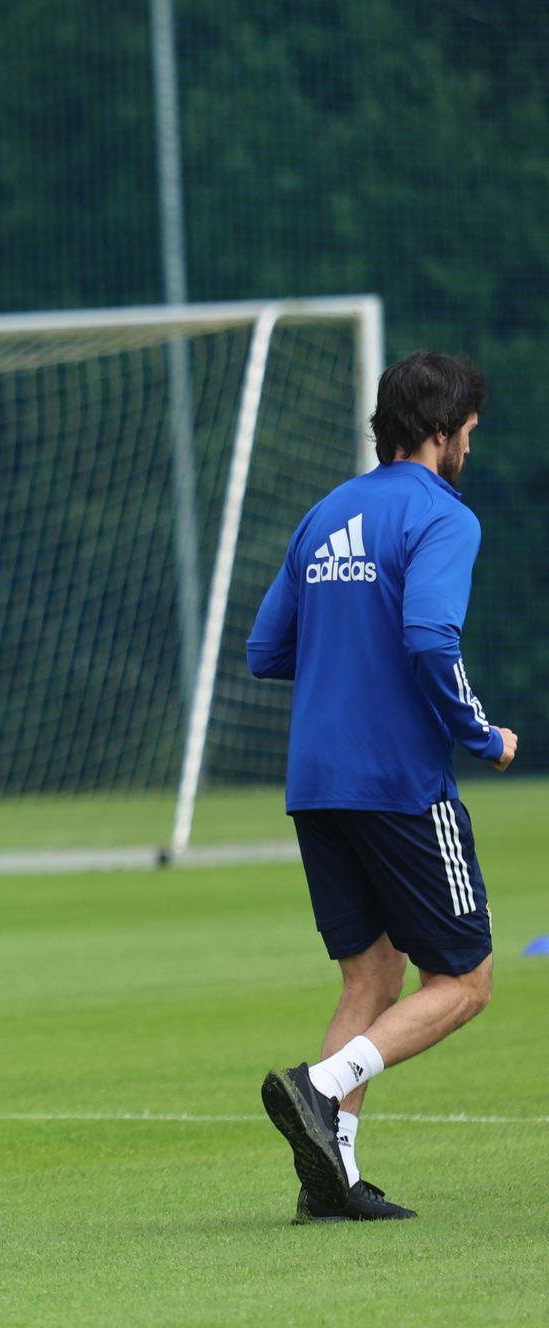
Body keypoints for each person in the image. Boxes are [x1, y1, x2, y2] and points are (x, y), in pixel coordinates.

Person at [247, 351, 516, 1223]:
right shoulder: (443, 515)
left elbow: (266, 651)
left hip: (316, 783)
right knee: (465, 980)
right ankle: (319, 1086)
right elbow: (432, 640)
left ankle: (331, 1181)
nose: (470, 443)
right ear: (441, 433)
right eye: (468, 430)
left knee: (371, 978)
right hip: (399, 782)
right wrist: (482, 733)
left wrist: (346, 654)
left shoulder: (325, 513)